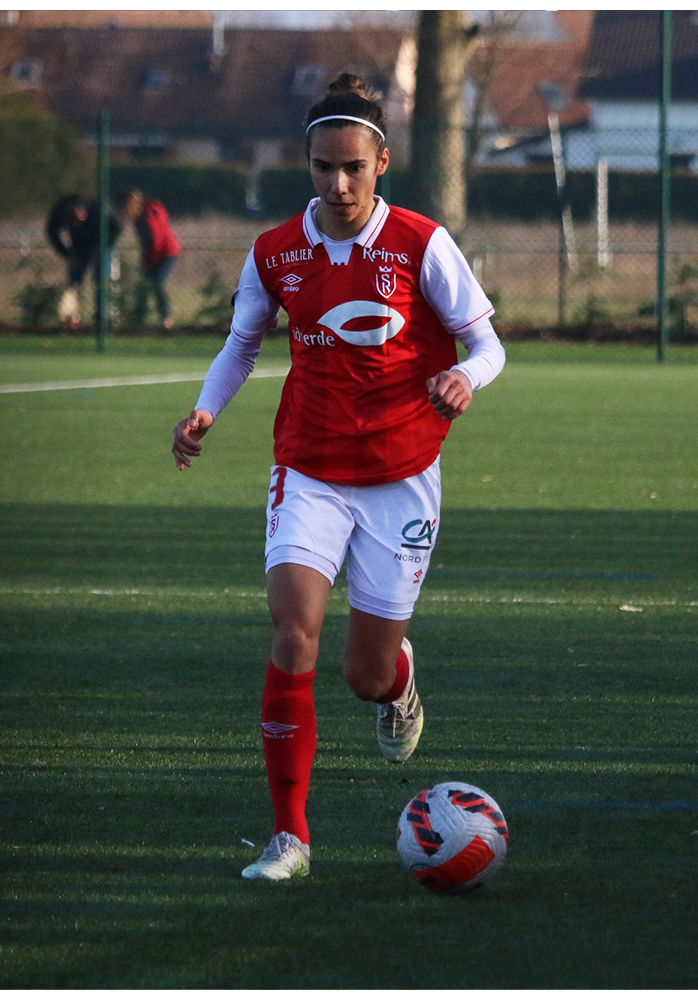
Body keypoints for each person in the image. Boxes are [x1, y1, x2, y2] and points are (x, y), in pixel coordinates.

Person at [171, 74, 506, 881]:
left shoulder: (422, 243)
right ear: (309, 164)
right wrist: (206, 409)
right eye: (324, 167)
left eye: (354, 167)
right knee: (293, 634)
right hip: (309, 468)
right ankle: (290, 839)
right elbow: (242, 345)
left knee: (364, 675)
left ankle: (399, 681)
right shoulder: (276, 251)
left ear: (382, 163)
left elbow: (488, 345)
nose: (339, 184)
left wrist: (465, 377)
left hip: (402, 476)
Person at [44, 193, 120, 328]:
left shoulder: (99, 208)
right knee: (73, 282)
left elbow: (116, 227)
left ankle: (103, 319)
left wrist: (102, 248)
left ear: (83, 211)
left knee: (102, 280)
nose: (77, 223)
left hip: (101, 245)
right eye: (73, 223)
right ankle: (70, 318)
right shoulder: (61, 209)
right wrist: (67, 254)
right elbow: (52, 232)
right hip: (79, 247)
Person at [117, 188, 182, 329]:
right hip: (152, 252)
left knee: (157, 282)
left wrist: (148, 262)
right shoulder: (140, 216)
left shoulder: (148, 217)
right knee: (145, 284)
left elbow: (155, 242)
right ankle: (140, 316)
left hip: (166, 252)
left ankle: (165, 317)